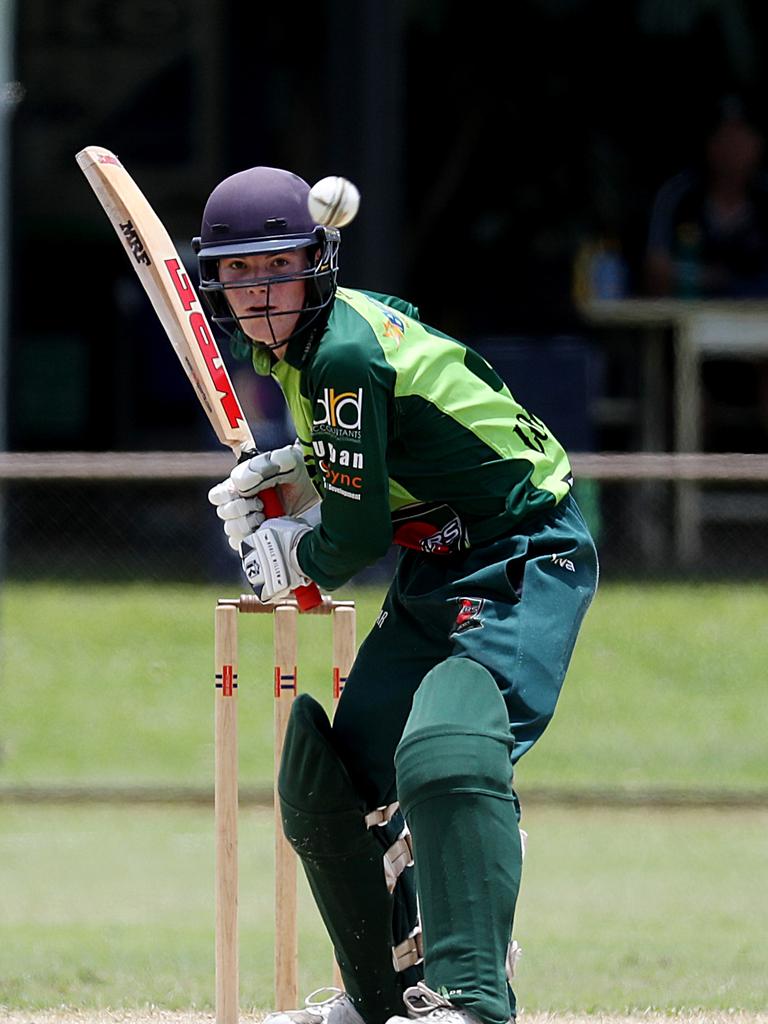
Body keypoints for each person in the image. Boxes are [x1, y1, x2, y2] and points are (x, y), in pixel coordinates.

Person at [199, 166, 598, 1024]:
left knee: (448, 747)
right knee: (328, 781)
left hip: (522, 553)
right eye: (238, 272)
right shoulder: (314, 343)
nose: (259, 289)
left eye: (277, 265)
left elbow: (353, 537)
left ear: (316, 259)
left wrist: (293, 558)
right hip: (436, 562)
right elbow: (409, 437)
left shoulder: (337, 354)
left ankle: (472, 1000)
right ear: (215, 284)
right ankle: (382, 999)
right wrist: (310, 473)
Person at [645, 102, 768, 299]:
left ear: (758, 145)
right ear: (709, 144)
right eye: (723, 137)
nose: (732, 149)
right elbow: (656, 271)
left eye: (741, 138)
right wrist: (711, 277)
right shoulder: (679, 195)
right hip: (688, 319)